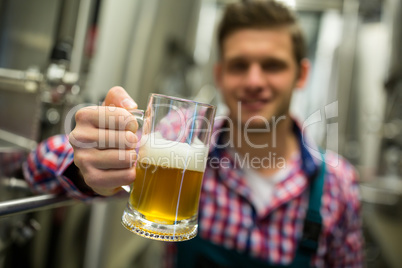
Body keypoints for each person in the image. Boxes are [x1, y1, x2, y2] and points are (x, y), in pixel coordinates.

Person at [23, 0, 363, 267]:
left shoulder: (337, 184)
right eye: (239, 65)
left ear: (301, 75)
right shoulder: (184, 135)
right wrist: (88, 164)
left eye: (272, 65)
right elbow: (35, 168)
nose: (255, 81)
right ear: (219, 73)